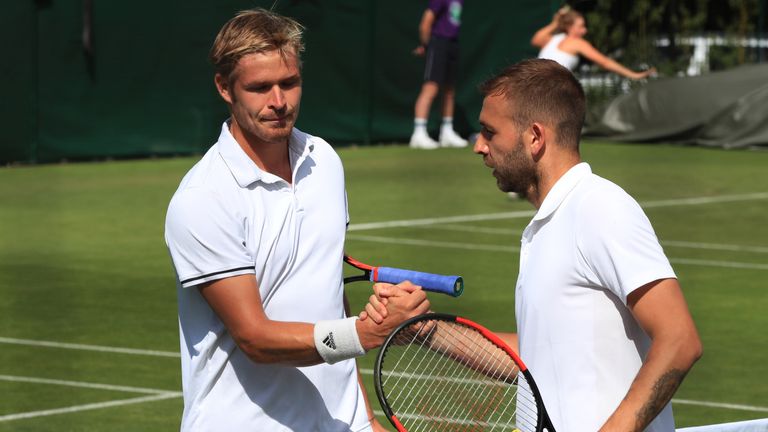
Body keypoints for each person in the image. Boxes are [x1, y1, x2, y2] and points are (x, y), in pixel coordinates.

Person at [366, 59, 702, 431]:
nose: (479, 146)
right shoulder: (546, 227)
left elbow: (679, 340)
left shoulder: (599, 207)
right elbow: (536, 357)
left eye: (489, 132)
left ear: (535, 137)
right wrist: (425, 329)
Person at [164, 8, 430, 431]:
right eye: (259, 87)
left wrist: (362, 415)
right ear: (224, 88)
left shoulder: (324, 161)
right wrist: (360, 335)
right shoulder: (202, 199)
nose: (278, 102)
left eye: (289, 83)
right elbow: (255, 338)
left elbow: (329, 291)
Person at [532, 7, 656, 80]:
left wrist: (556, 22)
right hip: (549, 87)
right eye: (580, 26)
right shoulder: (577, 43)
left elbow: (536, 39)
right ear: (569, 27)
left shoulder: (552, 39)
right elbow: (605, 62)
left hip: (533, 81)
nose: (584, 30)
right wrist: (634, 75)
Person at [409, 0, 468, 149]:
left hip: (452, 43)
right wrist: (426, 45)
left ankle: (447, 132)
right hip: (438, 43)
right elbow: (425, 23)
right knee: (431, 88)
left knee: (449, 90)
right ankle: (419, 132)